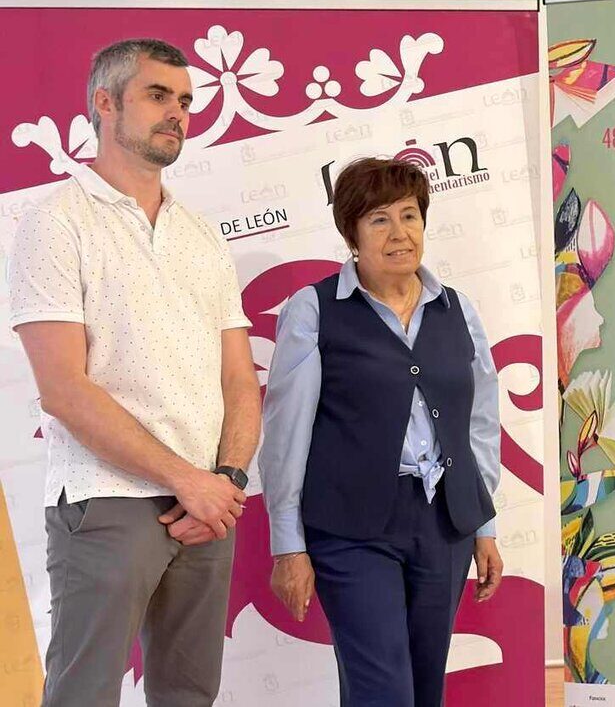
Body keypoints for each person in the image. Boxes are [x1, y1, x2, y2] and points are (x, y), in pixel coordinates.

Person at [8, 38, 258, 705]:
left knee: (189, 697)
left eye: (185, 101)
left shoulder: (203, 236)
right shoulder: (54, 223)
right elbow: (63, 390)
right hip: (107, 499)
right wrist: (188, 481)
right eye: (157, 95)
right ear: (105, 102)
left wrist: (227, 481)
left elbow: (240, 381)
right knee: (84, 696)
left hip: (208, 508)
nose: (177, 112)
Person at [260, 156, 504, 706]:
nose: (399, 233)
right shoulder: (314, 310)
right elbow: (285, 436)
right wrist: (288, 545)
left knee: (424, 688)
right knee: (383, 692)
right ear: (352, 235)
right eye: (379, 220)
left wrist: (482, 522)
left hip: (444, 524)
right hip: (351, 530)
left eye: (409, 216)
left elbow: (480, 423)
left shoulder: (458, 310)